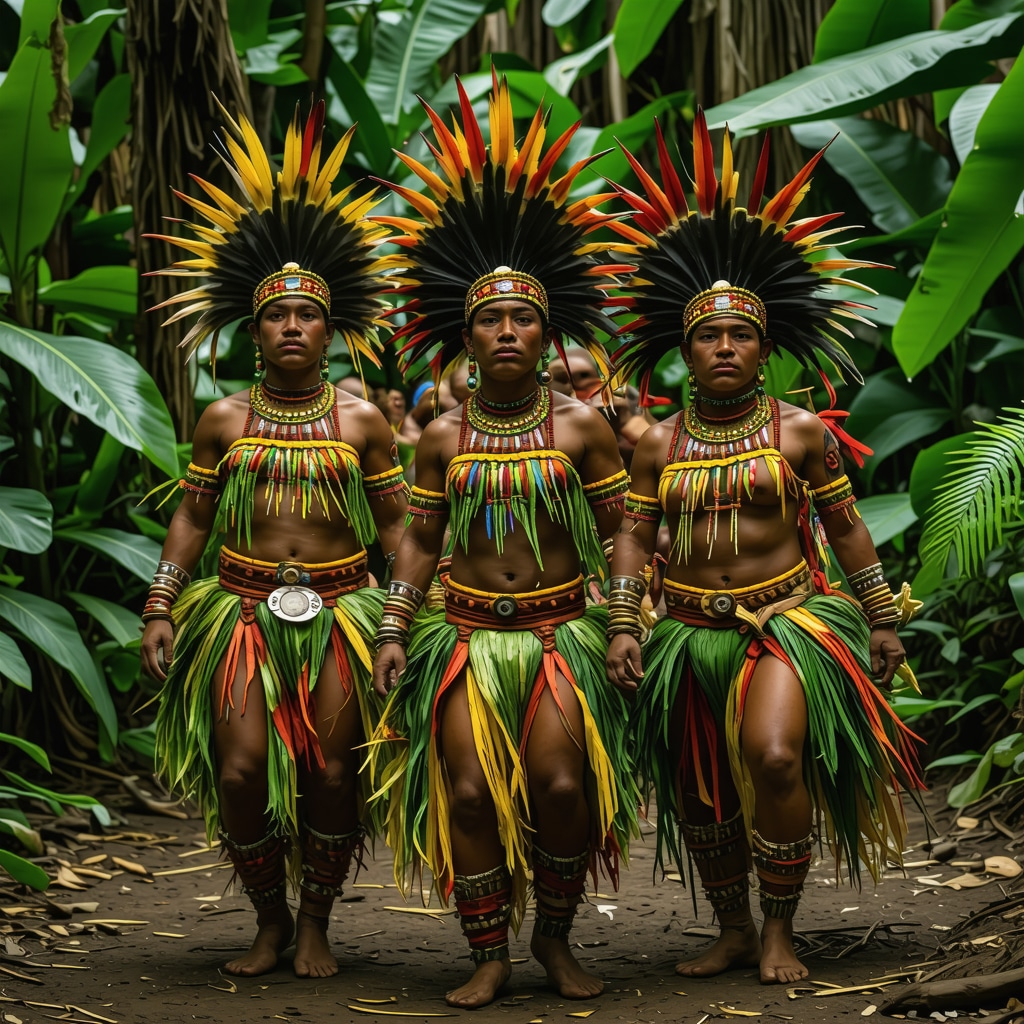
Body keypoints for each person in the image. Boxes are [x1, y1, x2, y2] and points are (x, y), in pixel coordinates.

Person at [604, 113, 924, 985]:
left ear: (764, 346)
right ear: (684, 349)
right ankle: (735, 928)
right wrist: (626, 623)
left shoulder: (799, 431)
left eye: (740, 335)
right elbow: (634, 534)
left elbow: (846, 526)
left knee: (775, 756)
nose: (724, 348)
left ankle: (781, 928)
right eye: (708, 336)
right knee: (701, 788)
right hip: (684, 630)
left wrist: (881, 617)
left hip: (781, 622)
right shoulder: (657, 443)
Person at [369, 75, 639, 1009]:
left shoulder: (582, 429)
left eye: (524, 317)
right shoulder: (443, 437)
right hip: (470, 637)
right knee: (472, 793)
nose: (510, 330)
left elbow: (622, 531)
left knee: (564, 790)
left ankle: (554, 940)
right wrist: (397, 626)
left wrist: (624, 622)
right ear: (468, 338)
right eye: (492, 318)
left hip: (564, 635)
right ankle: (487, 950)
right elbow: (417, 539)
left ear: (545, 329)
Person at [138, 104, 407, 978]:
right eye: (277, 315)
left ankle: (319, 921)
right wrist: (161, 602)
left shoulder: (363, 421)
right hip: (242, 611)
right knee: (242, 772)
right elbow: (192, 517)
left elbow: (406, 526)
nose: (293, 326)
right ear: (254, 332)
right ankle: (267, 918)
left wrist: (408, 620)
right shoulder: (224, 419)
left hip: (342, 609)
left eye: (307, 314)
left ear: (332, 330)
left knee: (333, 771)